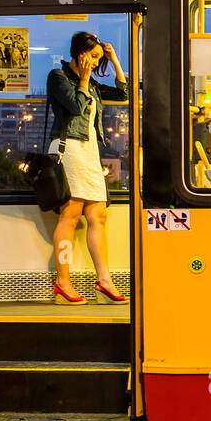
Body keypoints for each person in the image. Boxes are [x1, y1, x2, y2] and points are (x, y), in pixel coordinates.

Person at [46, 31, 128, 305]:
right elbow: (76, 106)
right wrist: (82, 78)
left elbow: (122, 93)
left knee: (98, 216)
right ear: (78, 53)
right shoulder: (58, 77)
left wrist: (114, 60)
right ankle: (63, 281)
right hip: (69, 147)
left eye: (97, 58)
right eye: (91, 57)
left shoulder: (91, 82)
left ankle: (104, 280)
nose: (94, 63)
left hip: (89, 150)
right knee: (69, 216)